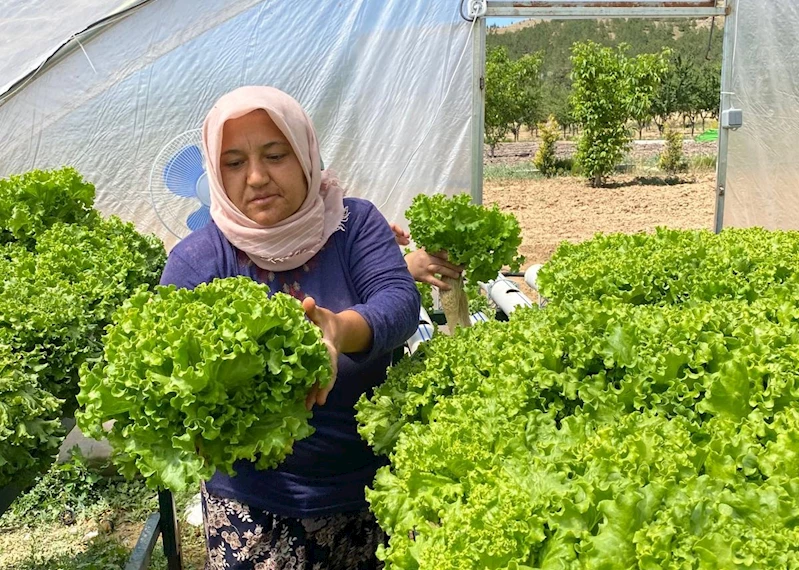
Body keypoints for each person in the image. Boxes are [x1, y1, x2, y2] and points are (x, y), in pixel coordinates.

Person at [159, 86, 421, 569]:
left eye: (275, 155)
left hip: (368, 489)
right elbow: (166, 376)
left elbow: (399, 300)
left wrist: (341, 329)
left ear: (305, 156)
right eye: (234, 163)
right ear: (214, 173)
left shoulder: (353, 223)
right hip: (252, 505)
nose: (256, 178)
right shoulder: (198, 260)